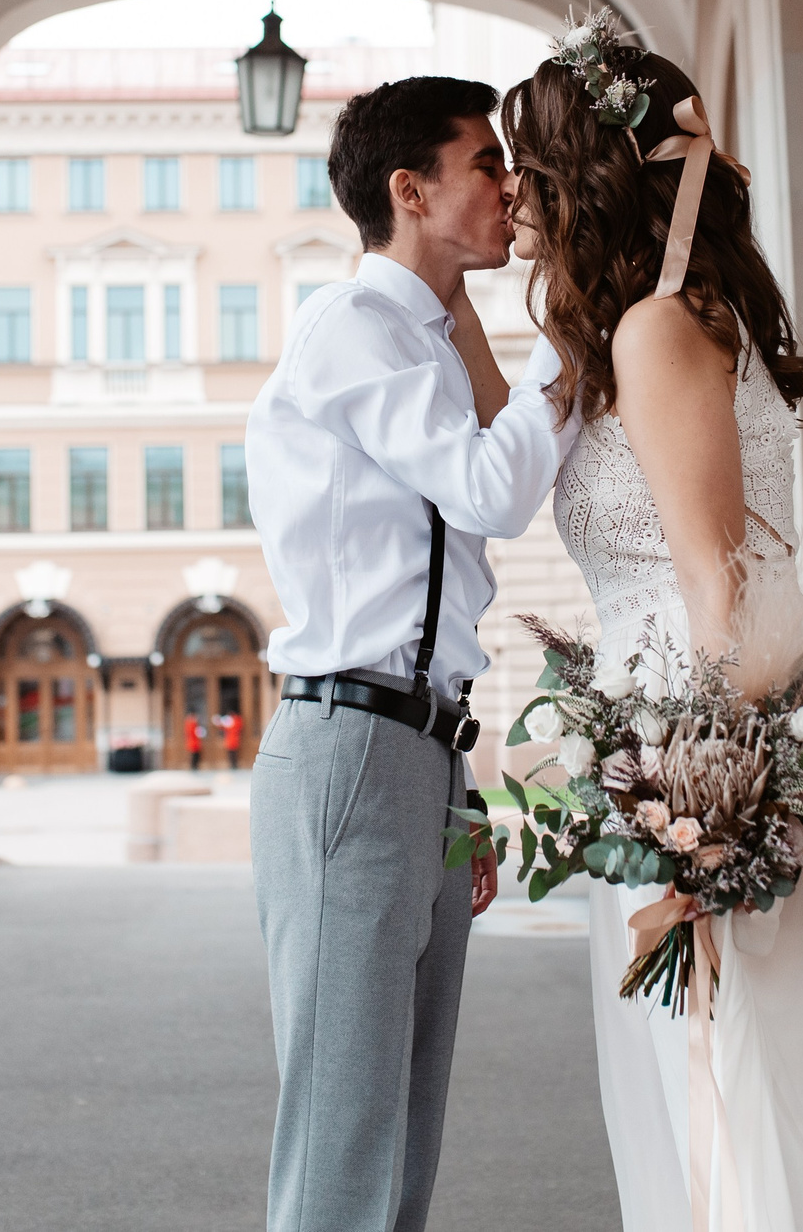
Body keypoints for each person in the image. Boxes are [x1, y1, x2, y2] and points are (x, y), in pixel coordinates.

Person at [503, 25, 803, 1232]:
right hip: (702, 728)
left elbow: (714, 582)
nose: (516, 200)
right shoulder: (673, 317)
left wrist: (705, 822)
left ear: (586, 179)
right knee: (772, 1080)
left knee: (734, 1076)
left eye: (531, 173)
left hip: (700, 752)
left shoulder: (656, 329)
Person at [246, 75, 574, 1232]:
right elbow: (492, 483)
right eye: (486, 163)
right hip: (343, 751)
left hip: (418, 751)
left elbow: (479, 525)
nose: (509, 185)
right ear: (410, 190)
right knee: (342, 1141)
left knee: (401, 1139)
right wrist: (571, 340)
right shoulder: (352, 330)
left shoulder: (431, 339)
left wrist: (461, 784)